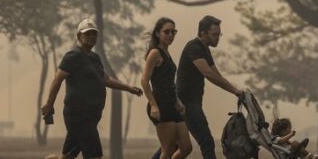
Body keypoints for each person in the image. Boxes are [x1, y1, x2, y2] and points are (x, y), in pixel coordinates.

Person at [41, 18, 143, 159]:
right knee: (94, 156)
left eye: (94, 34)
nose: (91, 37)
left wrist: (129, 88)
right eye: (87, 34)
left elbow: (106, 79)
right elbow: (57, 80)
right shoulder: (73, 56)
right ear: (78, 36)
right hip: (79, 114)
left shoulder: (94, 58)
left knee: (68, 156)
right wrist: (49, 104)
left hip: (92, 114)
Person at [153, 15, 243, 159]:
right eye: (214, 34)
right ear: (203, 33)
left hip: (191, 103)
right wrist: (235, 91)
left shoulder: (204, 49)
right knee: (206, 142)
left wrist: (237, 91)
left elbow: (216, 74)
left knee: (171, 146)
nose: (218, 38)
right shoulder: (194, 47)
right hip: (186, 103)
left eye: (219, 34)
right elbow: (208, 73)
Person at [141, 17, 192, 159]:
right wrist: (153, 105)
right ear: (158, 33)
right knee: (168, 149)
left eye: (173, 32)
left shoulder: (167, 53)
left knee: (186, 147)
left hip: (172, 105)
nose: (170, 35)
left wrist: (177, 100)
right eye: (166, 32)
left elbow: (169, 83)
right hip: (160, 104)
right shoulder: (155, 53)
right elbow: (144, 81)